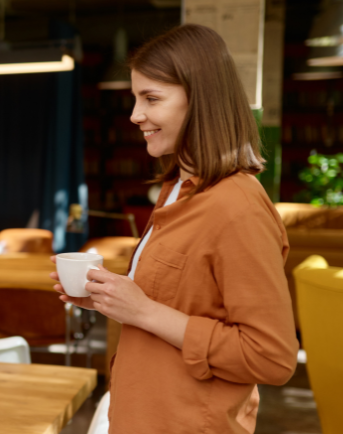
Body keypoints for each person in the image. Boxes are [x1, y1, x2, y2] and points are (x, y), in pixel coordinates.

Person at [52, 24, 299, 433]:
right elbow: (182, 302)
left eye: (151, 98)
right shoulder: (174, 189)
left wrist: (145, 311)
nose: (135, 115)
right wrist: (113, 299)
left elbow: (271, 357)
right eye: (135, 98)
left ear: (200, 101)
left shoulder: (237, 206)